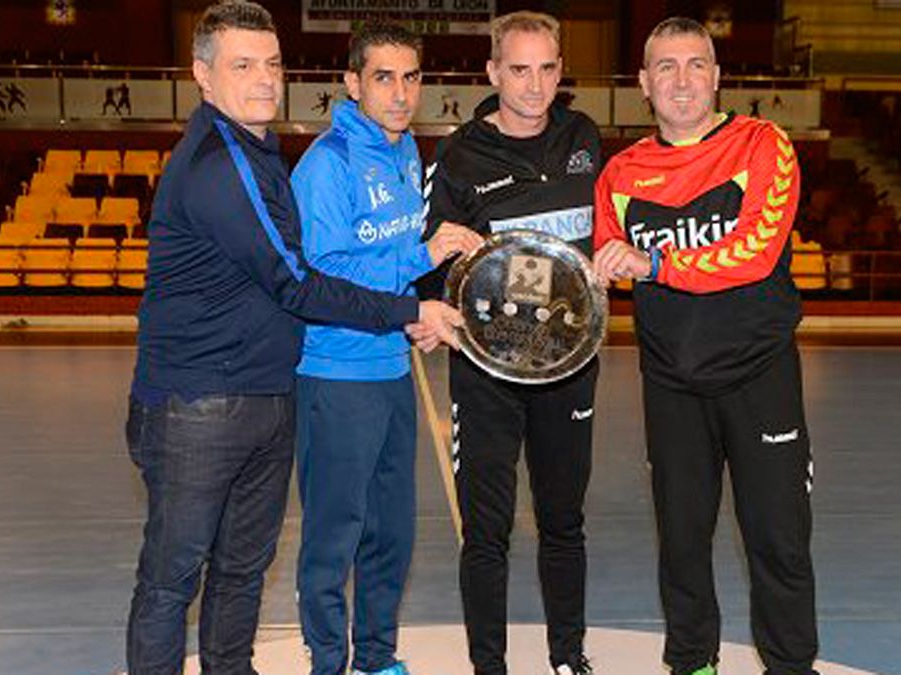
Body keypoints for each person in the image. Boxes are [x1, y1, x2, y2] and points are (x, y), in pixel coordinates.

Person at [124, 2, 462, 674]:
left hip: (263, 391)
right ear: (202, 73)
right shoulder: (222, 164)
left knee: (242, 569)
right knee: (173, 578)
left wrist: (406, 307)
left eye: (272, 64)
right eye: (242, 64)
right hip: (199, 403)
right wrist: (409, 308)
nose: (264, 79)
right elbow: (299, 283)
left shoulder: (260, 151)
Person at [591, 17, 818, 675]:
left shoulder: (761, 144)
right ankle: (692, 662)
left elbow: (754, 253)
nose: (682, 79)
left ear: (718, 77)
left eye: (696, 64)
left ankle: (791, 665)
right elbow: (608, 265)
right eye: (666, 66)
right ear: (643, 83)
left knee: (778, 538)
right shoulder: (620, 174)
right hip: (671, 384)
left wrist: (655, 263)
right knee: (682, 542)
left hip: (759, 376)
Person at [289, 21, 484, 675]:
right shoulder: (327, 165)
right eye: (383, 77)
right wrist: (423, 255)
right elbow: (323, 274)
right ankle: (327, 662)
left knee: (390, 534)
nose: (400, 93)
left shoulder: (405, 155)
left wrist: (415, 317)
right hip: (336, 373)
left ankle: (376, 657)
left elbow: (389, 266)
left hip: (391, 369)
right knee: (332, 536)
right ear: (351, 82)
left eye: (411, 77)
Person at [416, 11, 602, 675]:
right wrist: (437, 287)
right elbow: (429, 260)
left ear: (559, 70)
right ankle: (488, 664)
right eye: (518, 69)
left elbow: (608, 232)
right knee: (487, 530)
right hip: (487, 373)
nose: (533, 84)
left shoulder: (585, 138)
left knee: (563, 519)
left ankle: (566, 656)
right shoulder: (460, 155)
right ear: (493, 72)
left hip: (569, 368)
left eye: (547, 67)